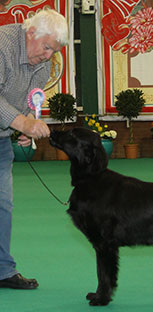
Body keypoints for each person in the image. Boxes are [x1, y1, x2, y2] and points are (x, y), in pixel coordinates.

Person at [0, 9, 68, 289]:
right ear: (31, 33)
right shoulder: (2, 45)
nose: (49, 56)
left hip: (1, 141)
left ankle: (3, 271)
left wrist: (25, 126)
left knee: (3, 206)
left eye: (55, 50)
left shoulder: (44, 62)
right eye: (47, 47)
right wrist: (21, 122)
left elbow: (31, 99)